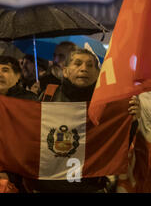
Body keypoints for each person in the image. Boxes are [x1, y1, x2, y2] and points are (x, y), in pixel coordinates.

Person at [22, 49, 139, 193]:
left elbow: (119, 145)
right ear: (65, 71)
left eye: (90, 65)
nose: (84, 69)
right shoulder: (48, 96)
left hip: (89, 187)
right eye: (77, 64)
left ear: (98, 73)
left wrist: (132, 120)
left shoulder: (109, 105)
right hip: (48, 187)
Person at [0, 56, 38, 192]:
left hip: (20, 172)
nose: (0, 74)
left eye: (5, 70)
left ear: (17, 76)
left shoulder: (29, 101)